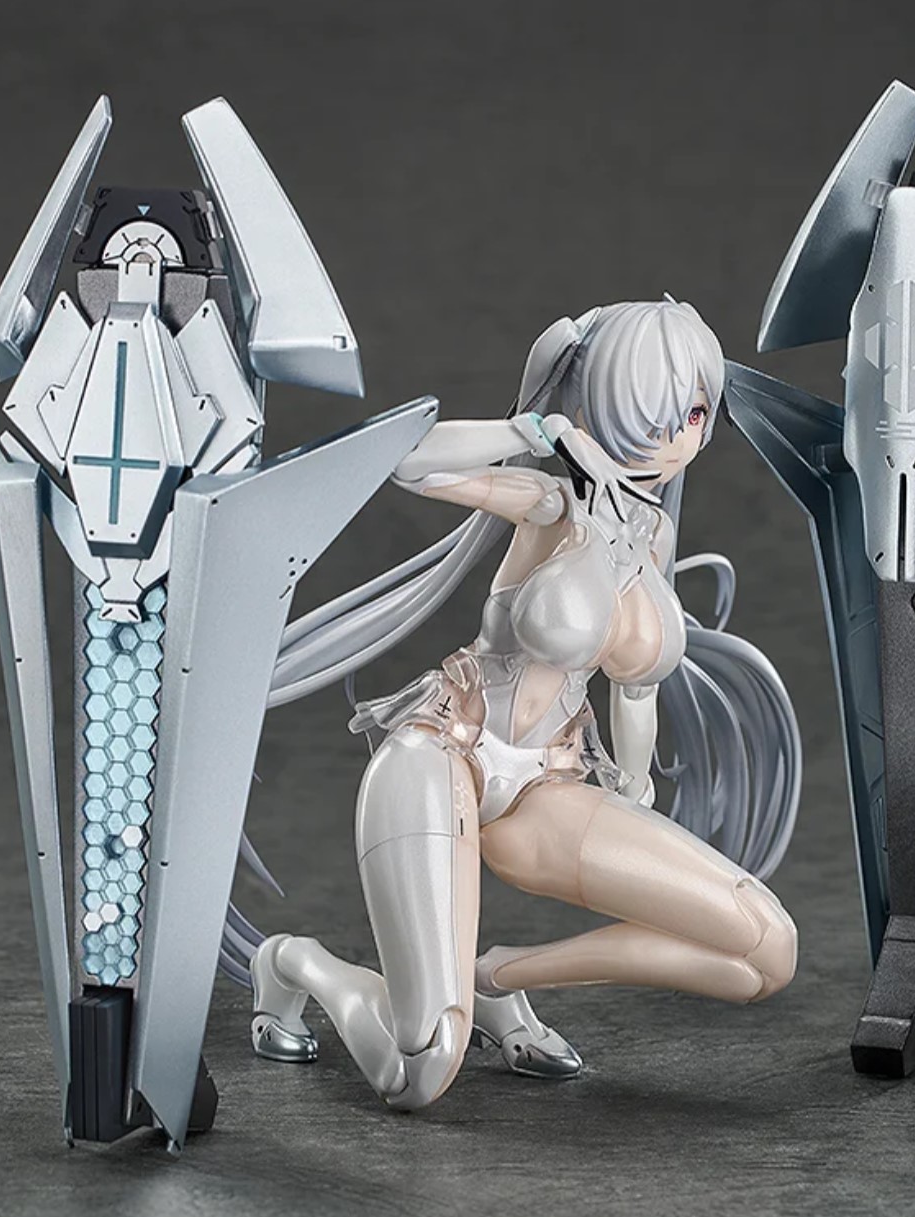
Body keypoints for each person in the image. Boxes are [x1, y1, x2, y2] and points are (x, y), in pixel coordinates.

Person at [231, 299, 803, 1109]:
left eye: (693, 413)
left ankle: (494, 978)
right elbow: (408, 462)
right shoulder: (547, 502)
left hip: (547, 788)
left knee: (764, 950)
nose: (675, 437)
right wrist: (533, 429)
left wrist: (634, 786)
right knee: (420, 1066)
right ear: (601, 403)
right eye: (650, 412)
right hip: (443, 754)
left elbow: (635, 685)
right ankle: (295, 962)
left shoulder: (652, 536)